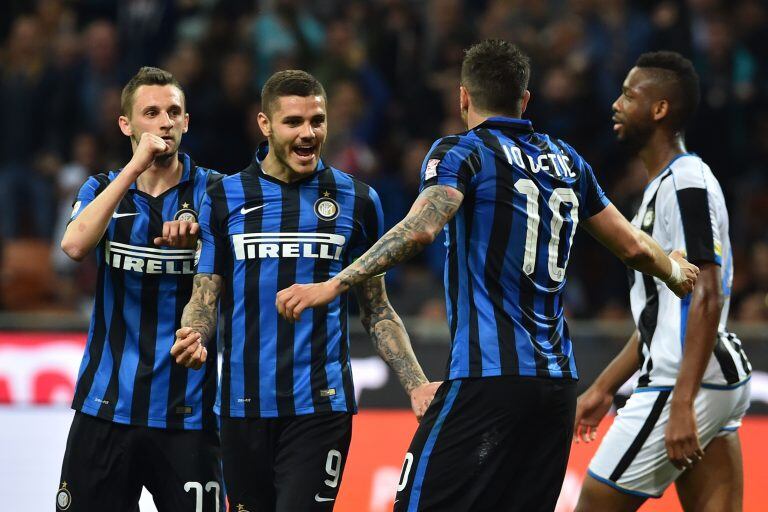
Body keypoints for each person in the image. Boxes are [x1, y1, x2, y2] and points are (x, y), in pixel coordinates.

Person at [274, 40, 700, 512]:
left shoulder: (462, 152)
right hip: (557, 388)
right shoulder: (566, 160)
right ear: (525, 100)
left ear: (462, 98)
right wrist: (674, 268)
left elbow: (421, 230)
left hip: (490, 379)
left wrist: (333, 284)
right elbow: (632, 246)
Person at [172, 69, 438, 511]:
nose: (308, 133)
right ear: (265, 125)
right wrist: (193, 334)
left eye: (317, 121)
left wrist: (414, 383)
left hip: (320, 406)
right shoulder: (224, 197)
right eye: (293, 122)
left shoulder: (357, 200)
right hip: (241, 408)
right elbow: (204, 297)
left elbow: (378, 310)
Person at [574, 51, 752, 512]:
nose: (616, 104)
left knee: (592, 504)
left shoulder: (687, 182)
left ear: (659, 110)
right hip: (711, 375)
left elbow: (708, 296)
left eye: (629, 96)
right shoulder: (662, 185)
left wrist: (682, 402)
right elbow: (662, 315)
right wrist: (605, 387)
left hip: (685, 381)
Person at [57, 67, 223, 512]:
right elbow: (73, 245)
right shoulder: (102, 187)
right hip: (106, 406)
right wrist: (135, 167)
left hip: (188, 412)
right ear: (126, 125)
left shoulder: (217, 193)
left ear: (187, 122)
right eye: (151, 113)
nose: (165, 122)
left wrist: (205, 239)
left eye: (174, 112)